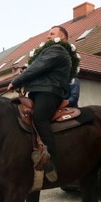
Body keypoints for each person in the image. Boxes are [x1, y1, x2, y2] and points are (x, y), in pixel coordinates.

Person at [8, 26, 73, 182]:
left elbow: (38, 67)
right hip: (39, 90)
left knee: (39, 118)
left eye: (52, 34)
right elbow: (37, 68)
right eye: (48, 34)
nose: (48, 36)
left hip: (50, 91)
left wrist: (16, 81)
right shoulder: (49, 51)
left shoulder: (58, 49)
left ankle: (51, 161)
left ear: (62, 37)